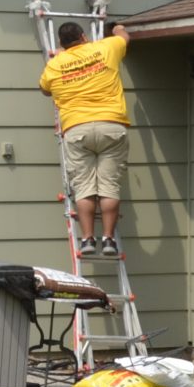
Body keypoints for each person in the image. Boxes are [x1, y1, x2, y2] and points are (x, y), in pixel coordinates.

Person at [39, 20, 132, 259]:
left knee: (84, 188)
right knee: (109, 186)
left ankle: (88, 239)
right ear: (83, 36)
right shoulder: (105, 48)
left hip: (76, 128)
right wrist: (118, 26)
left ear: (61, 43)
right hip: (111, 124)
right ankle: (109, 239)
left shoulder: (56, 64)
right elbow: (124, 37)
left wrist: (62, 59)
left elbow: (46, 89)